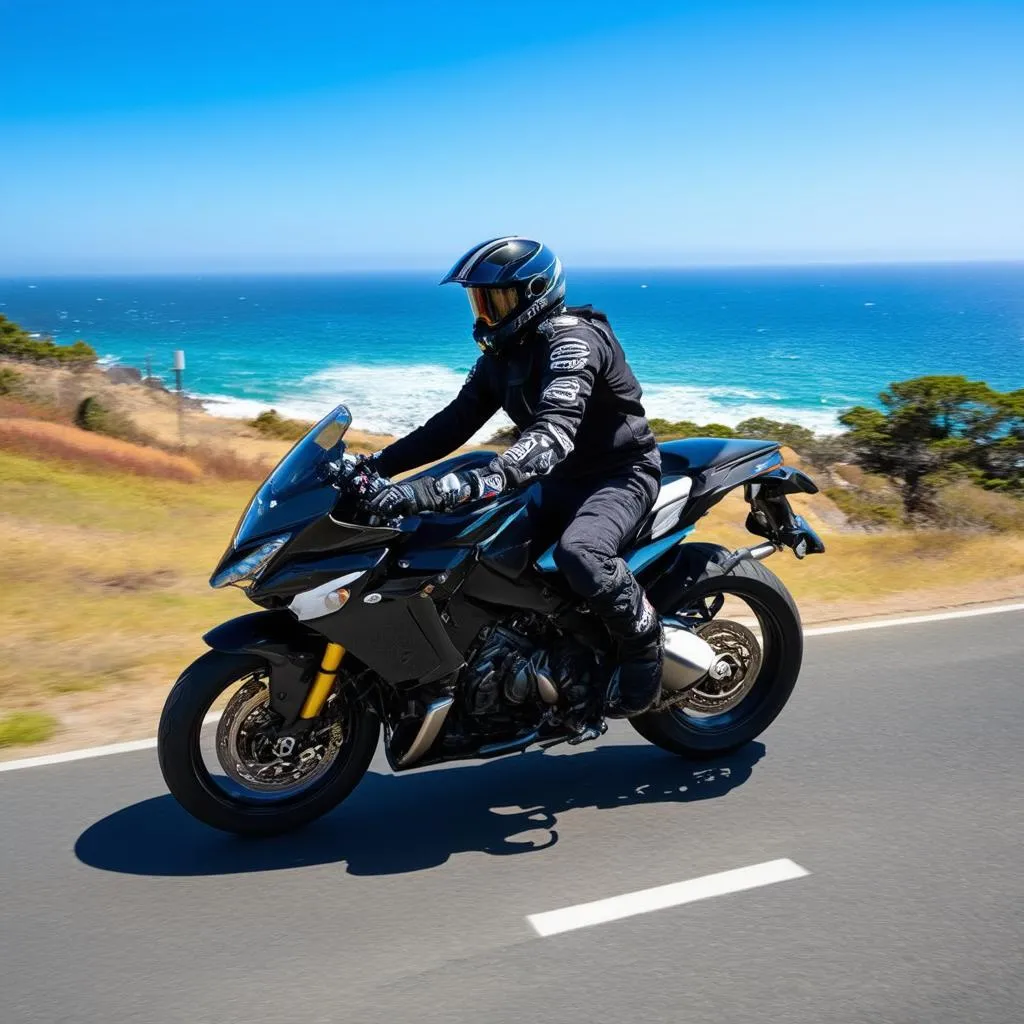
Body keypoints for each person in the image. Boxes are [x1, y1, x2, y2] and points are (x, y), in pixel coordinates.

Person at [366, 237, 663, 719]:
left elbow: (553, 433)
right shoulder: (500, 358)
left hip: (619, 475)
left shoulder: (574, 341)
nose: (483, 314)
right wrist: (376, 467)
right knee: (477, 554)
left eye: (495, 300)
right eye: (479, 301)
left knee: (580, 554)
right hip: (559, 480)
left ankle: (643, 640)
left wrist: (473, 481)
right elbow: (449, 426)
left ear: (537, 293)